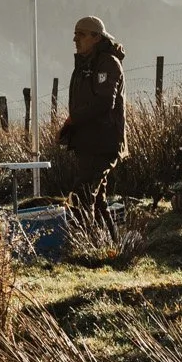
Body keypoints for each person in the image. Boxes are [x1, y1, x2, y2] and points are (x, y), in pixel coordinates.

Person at [58, 14, 126, 227]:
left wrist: (72, 119)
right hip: (89, 141)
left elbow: (105, 101)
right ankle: (108, 246)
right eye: (75, 34)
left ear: (97, 37)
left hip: (103, 141)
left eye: (81, 34)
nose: (75, 39)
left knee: (82, 195)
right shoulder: (86, 63)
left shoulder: (107, 63)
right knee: (97, 201)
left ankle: (86, 243)